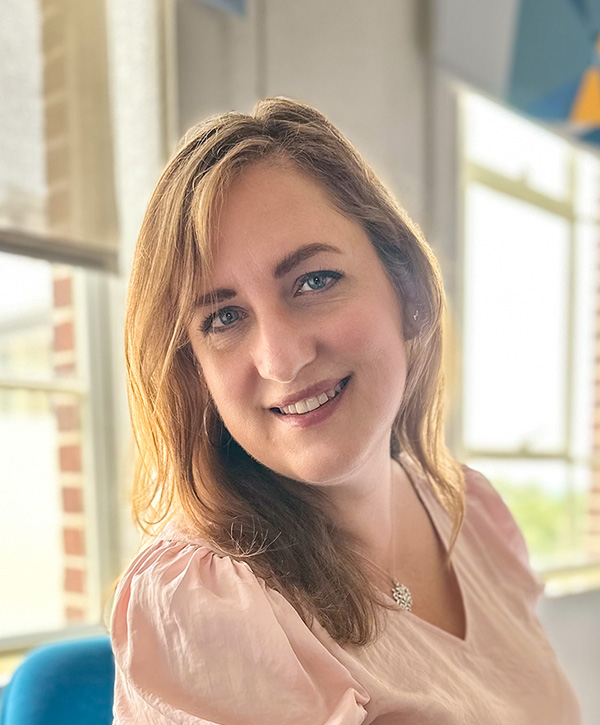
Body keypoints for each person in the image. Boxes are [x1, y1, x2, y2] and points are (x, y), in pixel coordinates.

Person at [110, 97, 582, 724]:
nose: (281, 358)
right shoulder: (207, 608)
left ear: (405, 289)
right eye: (223, 317)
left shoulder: (474, 514)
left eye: (314, 280)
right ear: (195, 374)